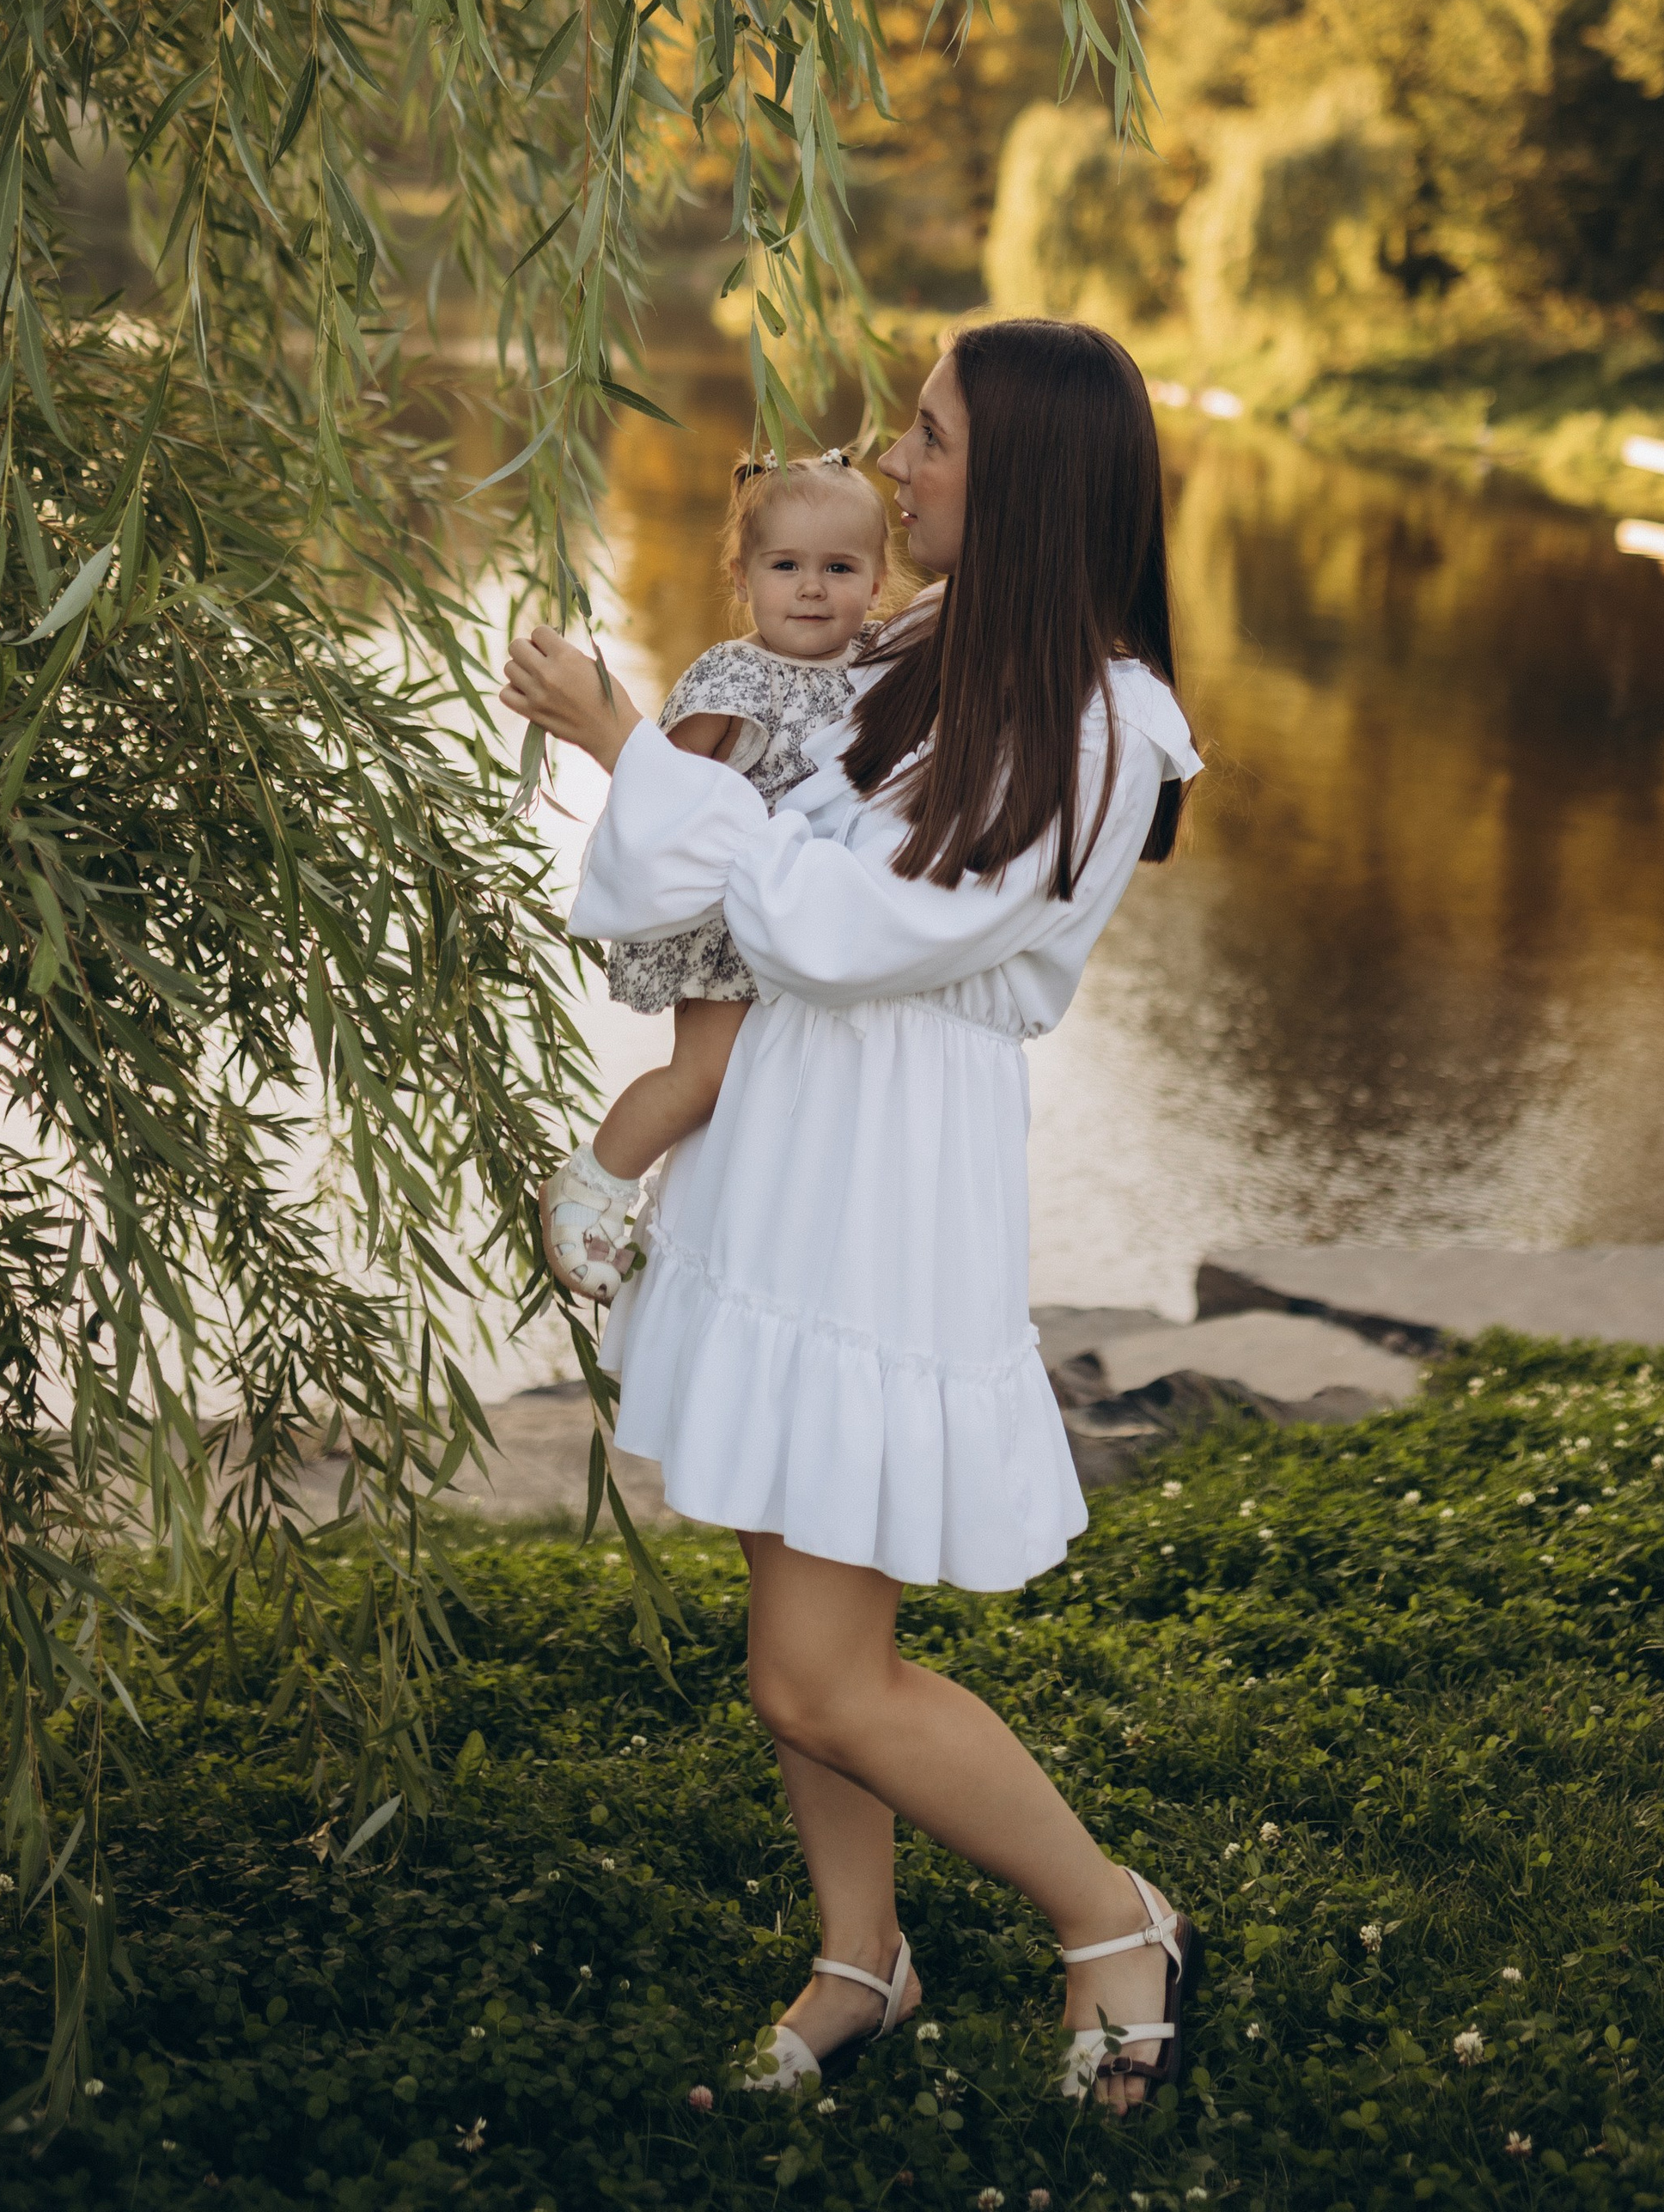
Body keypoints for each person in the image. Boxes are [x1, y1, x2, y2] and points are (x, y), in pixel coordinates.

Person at [499, 319, 1204, 2114]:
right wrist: (646, 759)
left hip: (882, 1185)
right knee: (789, 1638)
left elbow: (838, 928)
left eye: (937, 440)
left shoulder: (1101, 719)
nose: (900, 468)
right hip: (778, 1149)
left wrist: (623, 740)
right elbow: (717, 871)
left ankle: (1111, 1921)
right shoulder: (907, 639)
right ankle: (857, 1954)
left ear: (1029, 480)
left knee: (825, 1681)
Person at [539, 452, 893, 1304]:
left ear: (877, 581)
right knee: (707, 1075)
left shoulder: (879, 663)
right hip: (727, 916)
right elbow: (660, 787)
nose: (812, 589)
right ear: (743, 575)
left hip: (807, 912)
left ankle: (711, 1231)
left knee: (776, 1086)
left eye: (839, 569)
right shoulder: (733, 679)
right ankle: (592, 1183)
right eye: (786, 567)